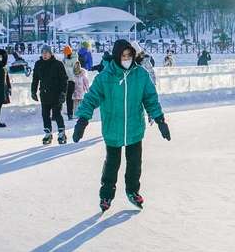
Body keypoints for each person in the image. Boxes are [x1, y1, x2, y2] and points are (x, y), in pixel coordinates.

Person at [73, 39, 171, 212]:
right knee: (112, 163)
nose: (126, 59)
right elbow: (91, 98)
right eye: (123, 56)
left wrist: (160, 119)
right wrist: (82, 120)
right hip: (113, 128)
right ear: (117, 57)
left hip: (134, 127)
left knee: (135, 164)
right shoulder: (105, 77)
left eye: (129, 55)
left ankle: (133, 191)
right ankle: (106, 194)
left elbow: (150, 98)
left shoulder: (140, 74)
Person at [31, 44, 68, 145]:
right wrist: (33, 91)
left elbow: (64, 80)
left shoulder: (58, 64)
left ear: (51, 53)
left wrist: (63, 93)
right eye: (43, 53)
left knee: (56, 114)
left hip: (56, 94)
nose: (44, 55)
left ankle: (61, 133)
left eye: (46, 53)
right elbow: (35, 79)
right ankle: (48, 133)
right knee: (45, 114)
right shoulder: (38, 64)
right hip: (45, 93)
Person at [63, 46, 78, 120]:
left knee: (69, 97)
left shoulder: (74, 60)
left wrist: (66, 68)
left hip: (71, 80)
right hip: (64, 80)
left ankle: (70, 113)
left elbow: (75, 69)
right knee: (64, 96)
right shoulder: (65, 60)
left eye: (65, 53)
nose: (64, 55)